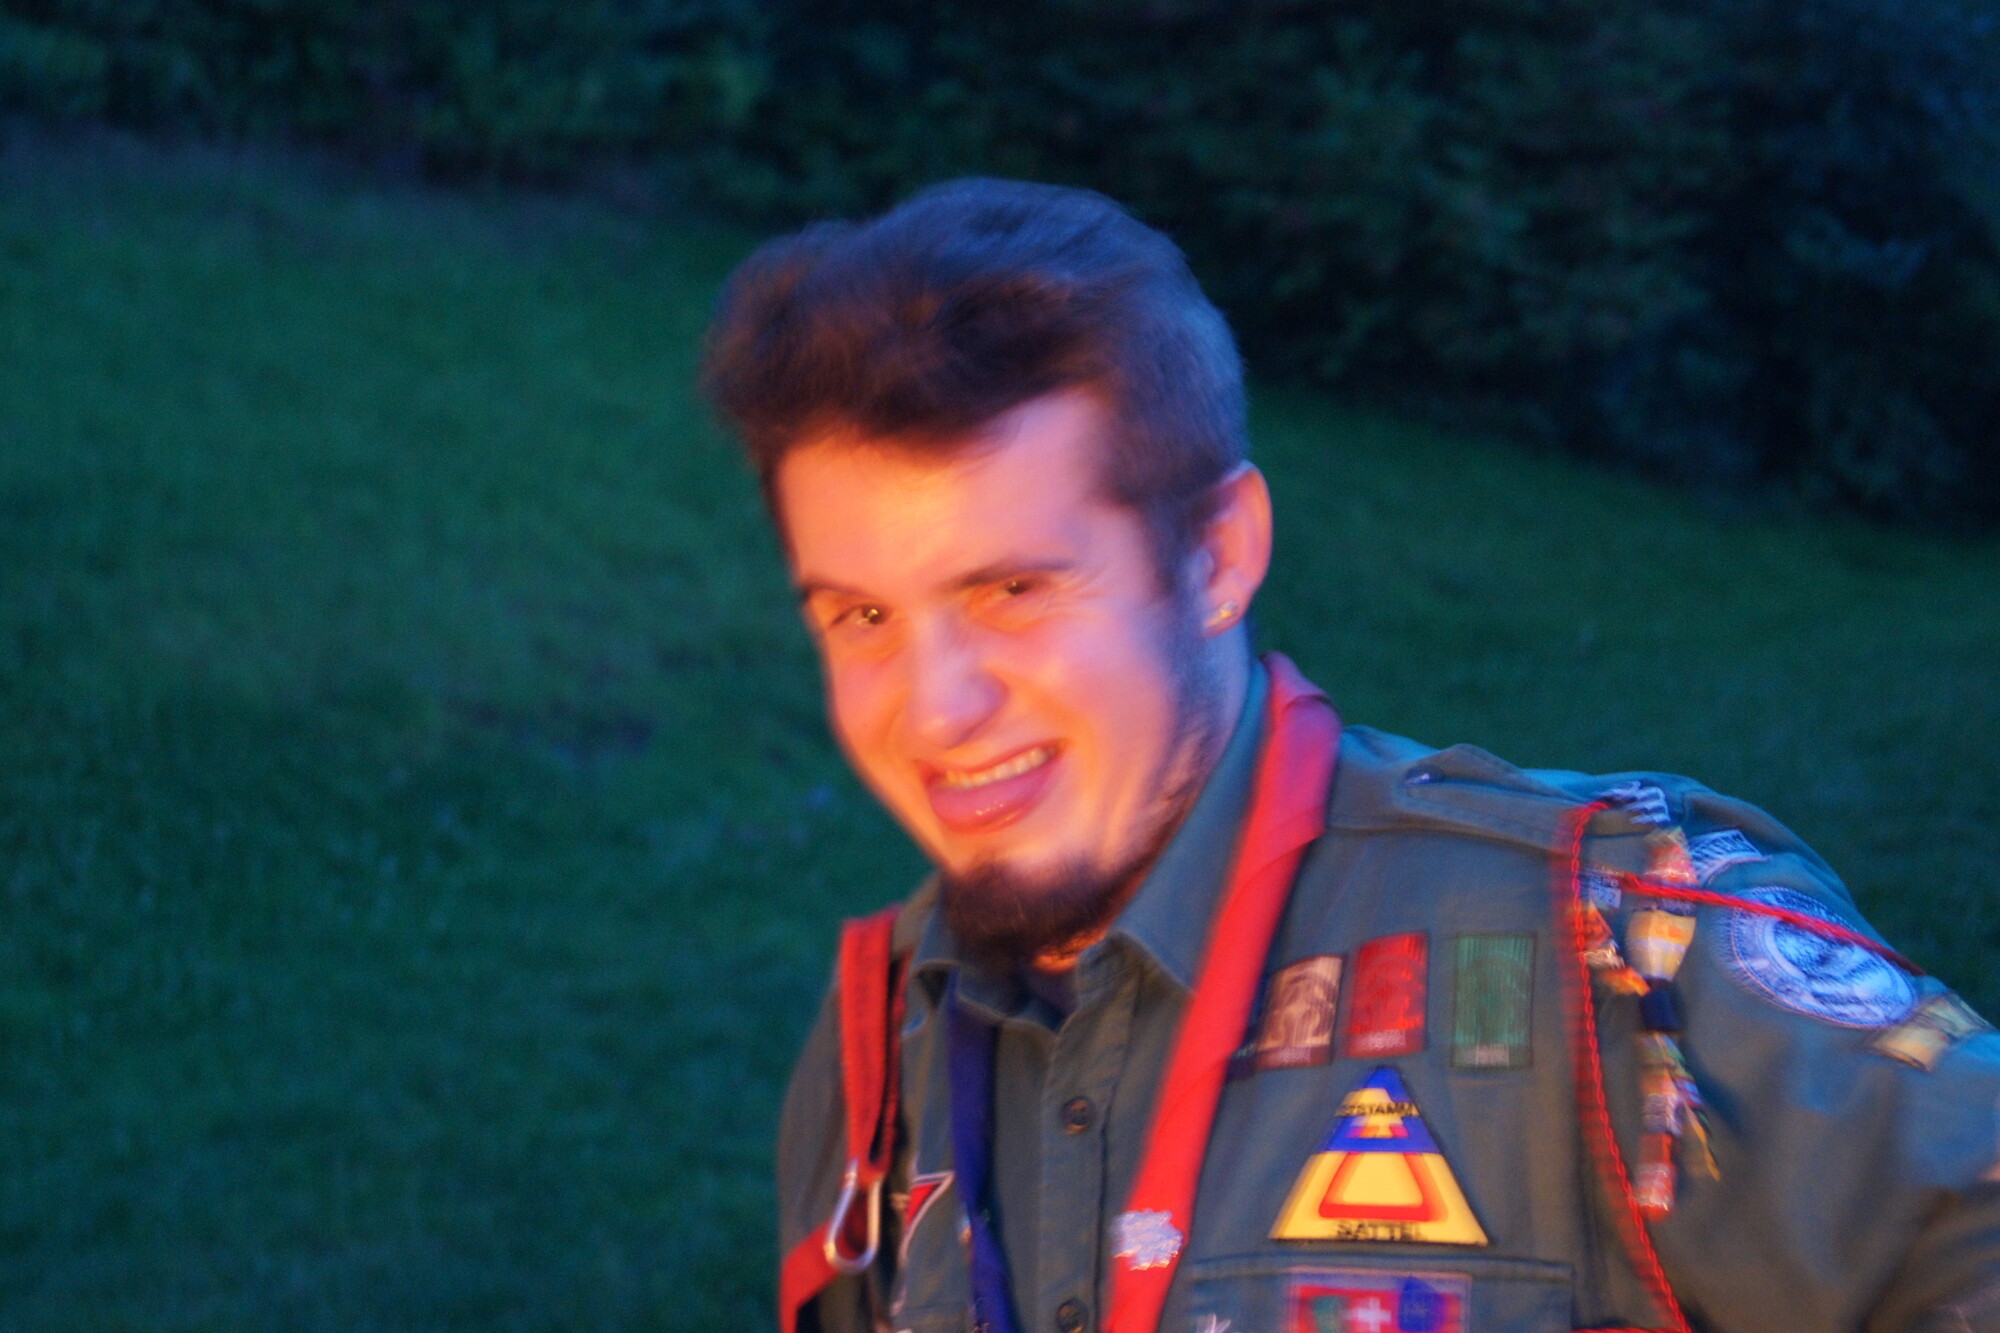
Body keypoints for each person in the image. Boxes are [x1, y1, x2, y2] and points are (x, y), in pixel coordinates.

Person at [699, 178, 2000, 1333]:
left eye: (1012, 591)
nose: (934, 710)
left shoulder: (1614, 944)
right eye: (861, 617)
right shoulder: (880, 1044)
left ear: (1217, 554)